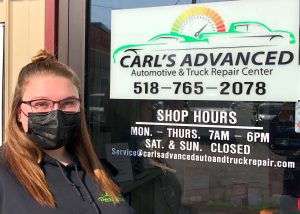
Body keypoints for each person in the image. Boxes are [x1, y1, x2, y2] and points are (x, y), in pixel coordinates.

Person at [0, 50, 135, 214]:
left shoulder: (98, 170)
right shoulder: (5, 172)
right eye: (41, 104)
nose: (56, 114)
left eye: (68, 103)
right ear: (19, 113)